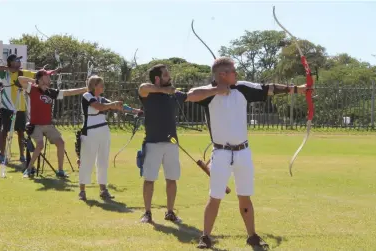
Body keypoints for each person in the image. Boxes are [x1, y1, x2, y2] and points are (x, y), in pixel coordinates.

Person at [185, 57, 309, 250]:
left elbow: (269, 88)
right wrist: (218, 89)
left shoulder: (242, 88)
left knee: (245, 195)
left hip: (242, 152)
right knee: (215, 196)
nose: (237, 74)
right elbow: (191, 95)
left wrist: (297, 89)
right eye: (233, 71)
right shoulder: (208, 93)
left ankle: (252, 236)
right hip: (221, 153)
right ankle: (206, 236)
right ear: (222, 75)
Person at [78, 75, 141, 201]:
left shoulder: (102, 98)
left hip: (103, 131)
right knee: (87, 161)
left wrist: (135, 111)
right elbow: (99, 107)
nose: (103, 87)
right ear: (94, 85)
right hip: (90, 132)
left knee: (103, 161)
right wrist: (113, 104)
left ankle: (103, 190)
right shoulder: (87, 96)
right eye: (101, 84)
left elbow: (119, 106)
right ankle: (82, 191)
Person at [137, 64, 187, 224]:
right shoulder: (148, 94)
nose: (170, 77)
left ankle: (170, 212)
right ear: (157, 78)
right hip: (152, 142)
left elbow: (194, 95)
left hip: (171, 143)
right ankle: (147, 213)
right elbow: (142, 87)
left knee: (171, 179)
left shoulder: (173, 95)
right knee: (149, 179)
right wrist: (165, 90)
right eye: (166, 75)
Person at [17, 69, 86, 178]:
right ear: (40, 79)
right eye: (47, 76)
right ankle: (29, 169)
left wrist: (86, 89)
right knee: (40, 145)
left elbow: (69, 92)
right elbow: (20, 79)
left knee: (61, 143)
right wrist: (36, 81)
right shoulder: (33, 89)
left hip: (48, 125)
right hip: (36, 126)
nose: (49, 78)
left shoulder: (51, 92)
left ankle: (60, 171)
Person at [0, 54, 38, 162]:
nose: (19, 62)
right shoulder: (5, 73)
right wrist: (8, 68)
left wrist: (52, 71)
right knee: (4, 131)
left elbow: (37, 74)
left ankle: (22, 155)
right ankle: (2, 154)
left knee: (21, 131)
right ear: (11, 62)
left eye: (19, 60)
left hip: (20, 107)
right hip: (6, 107)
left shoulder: (23, 73)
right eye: (16, 60)